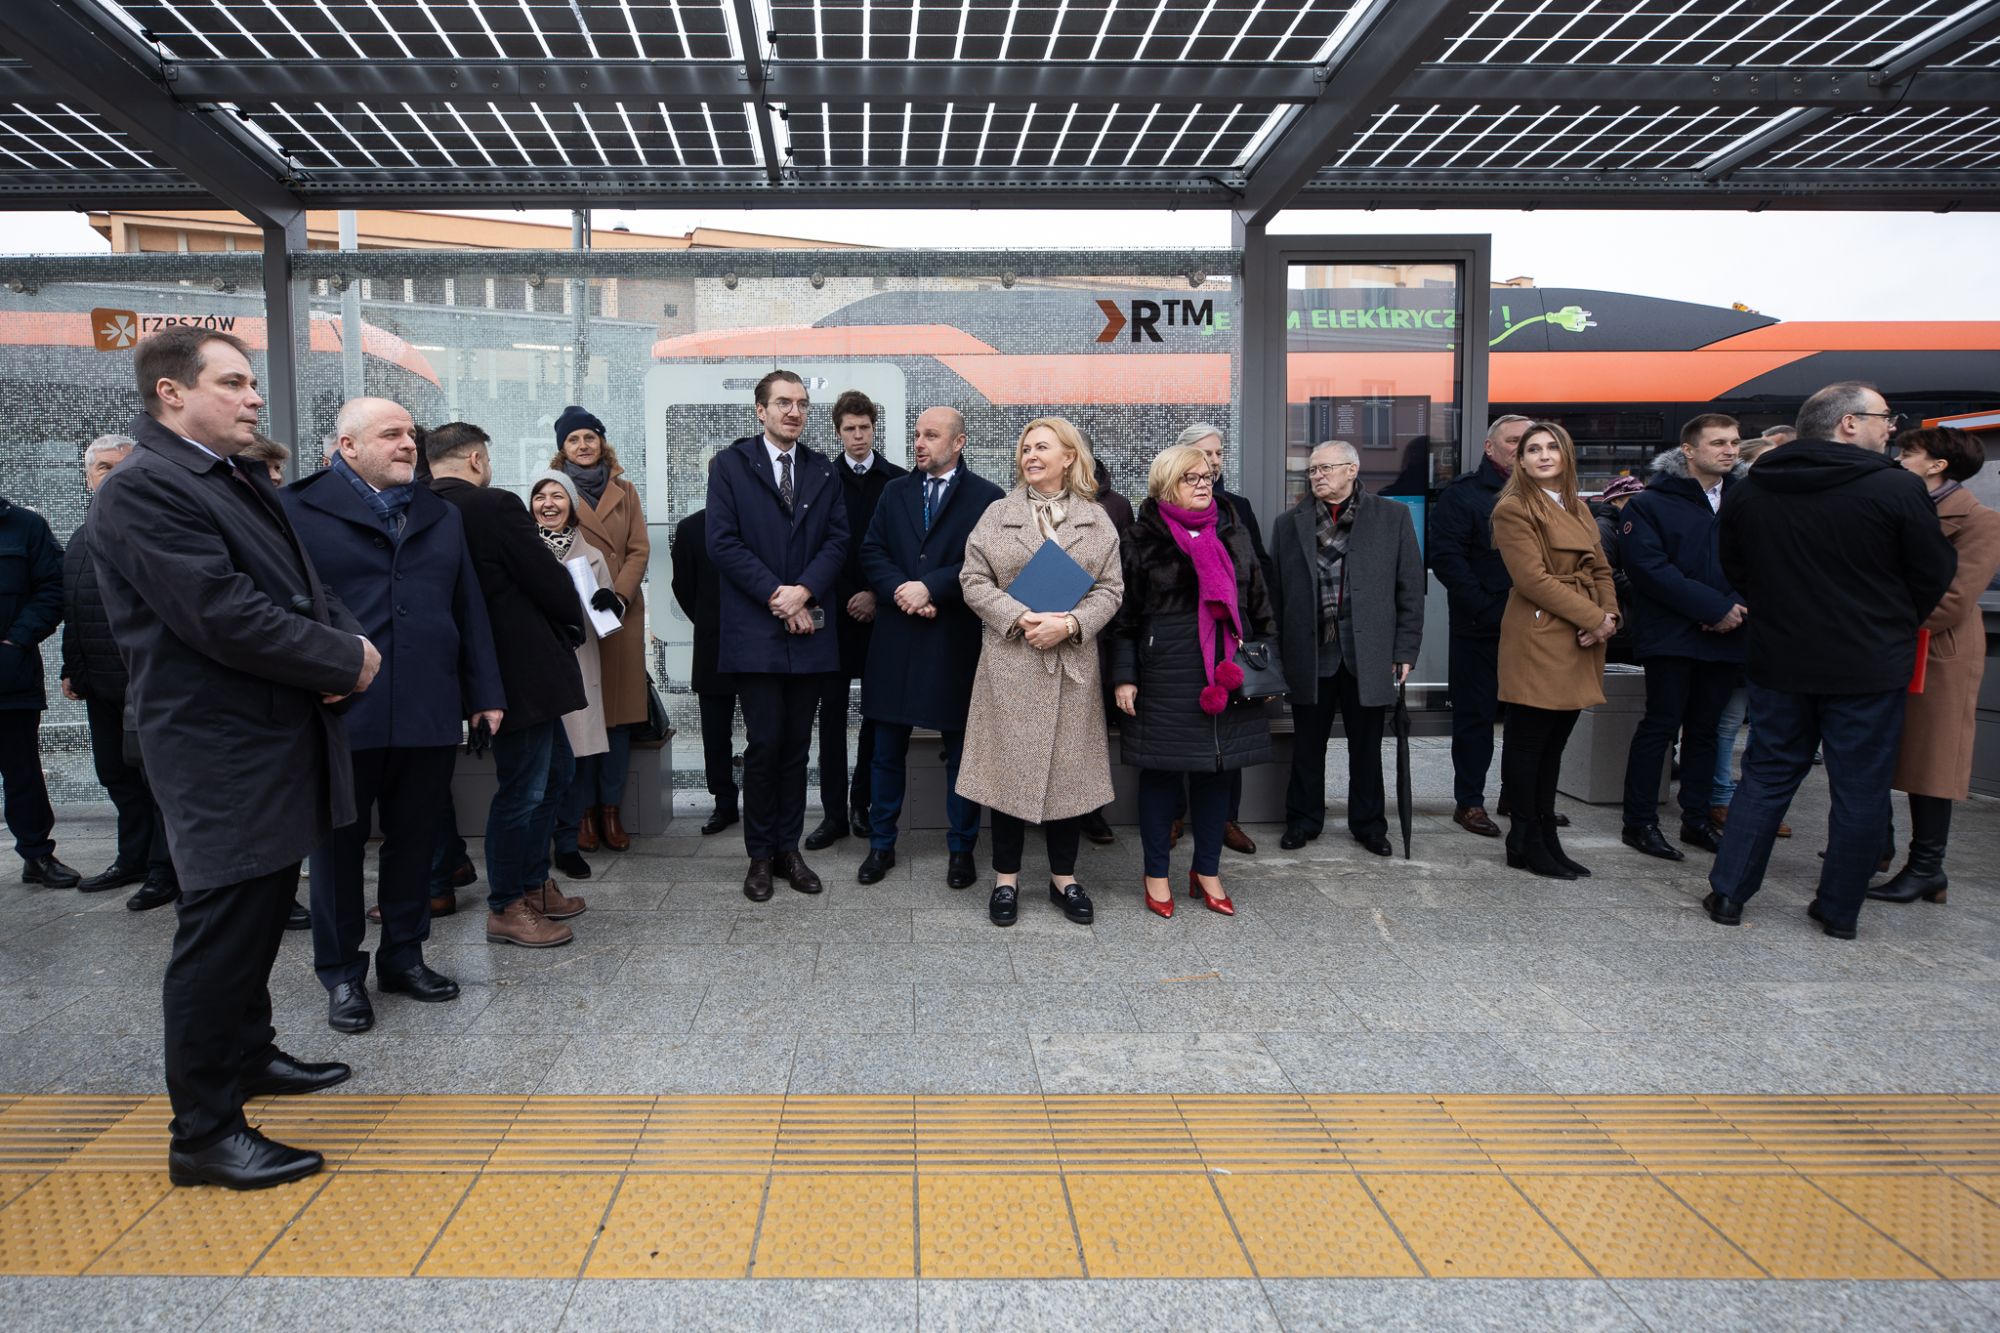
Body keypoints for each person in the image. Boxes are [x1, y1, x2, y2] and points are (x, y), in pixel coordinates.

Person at [91, 327, 372, 1189]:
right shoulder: (145, 490)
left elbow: (297, 586)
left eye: (253, 383)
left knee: (254, 916)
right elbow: (221, 612)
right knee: (221, 934)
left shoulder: (224, 475)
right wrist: (342, 659)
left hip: (266, 734)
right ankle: (205, 1132)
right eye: (235, 383)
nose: (255, 398)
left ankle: (250, 1056)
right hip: (220, 747)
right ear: (171, 393)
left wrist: (339, 641)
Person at [284, 398, 505, 1034]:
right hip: (341, 709)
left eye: (411, 433)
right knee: (338, 851)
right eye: (392, 435)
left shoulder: (440, 514)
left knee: (416, 843)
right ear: (347, 446)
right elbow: (283, 607)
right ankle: (342, 975)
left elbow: (468, 606)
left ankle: (404, 958)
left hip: (427, 705)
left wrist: (484, 691)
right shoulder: (298, 509)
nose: (409, 444)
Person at [1705, 383, 1957, 938]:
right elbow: (1932, 574)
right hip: (1868, 663)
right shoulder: (1896, 488)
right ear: (1848, 423)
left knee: (1766, 777)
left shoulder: (1753, 488)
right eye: (1884, 418)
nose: (1891, 428)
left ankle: (1728, 895)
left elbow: (1736, 567)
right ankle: (1840, 911)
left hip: (1780, 657)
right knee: (1860, 788)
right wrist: (1887, 622)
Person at [956, 417, 1124, 928]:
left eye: (1042, 447)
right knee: (1008, 774)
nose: (1030, 455)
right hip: (1011, 665)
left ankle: (1063, 879)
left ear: (1069, 457)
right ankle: (1006, 880)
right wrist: (1018, 617)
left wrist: (1072, 623)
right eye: (1025, 448)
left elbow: (1111, 591)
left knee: (1069, 779)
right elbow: (972, 579)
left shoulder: (1097, 520)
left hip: (1070, 666)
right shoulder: (996, 514)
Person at [429, 422, 590, 947]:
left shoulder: (418, 506)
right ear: (476, 459)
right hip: (520, 670)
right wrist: (570, 618)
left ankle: (532, 884)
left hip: (474, 670)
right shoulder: (492, 506)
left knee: (556, 773)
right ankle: (506, 904)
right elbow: (547, 578)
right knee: (525, 789)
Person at [1111, 442, 1275, 918]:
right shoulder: (1141, 538)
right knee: (1161, 776)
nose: (1204, 484)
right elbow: (1124, 619)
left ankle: (1207, 871)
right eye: (1192, 478)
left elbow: (1260, 607)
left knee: (1217, 775)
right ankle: (1156, 873)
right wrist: (1125, 677)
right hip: (1167, 672)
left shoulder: (1233, 531)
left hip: (1228, 672)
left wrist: (1263, 663)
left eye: (1207, 476)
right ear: (1167, 485)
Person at [707, 370, 850, 903]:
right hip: (757, 632)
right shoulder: (730, 465)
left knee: (796, 747)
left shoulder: (823, 471)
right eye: (784, 403)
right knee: (765, 745)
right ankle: (760, 856)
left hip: (809, 628)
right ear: (760, 411)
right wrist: (778, 595)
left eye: (803, 404)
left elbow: (838, 541)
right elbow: (722, 543)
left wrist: (805, 591)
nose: (795, 412)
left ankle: (790, 850)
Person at [856, 406, 1003, 888]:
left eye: (931, 435)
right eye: (916, 434)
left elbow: (988, 563)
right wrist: (903, 589)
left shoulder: (988, 498)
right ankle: (882, 845)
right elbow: (871, 550)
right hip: (896, 638)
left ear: (958, 443)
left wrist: (932, 588)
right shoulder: (894, 491)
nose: (919, 443)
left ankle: (961, 850)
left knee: (961, 752)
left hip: (953, 643)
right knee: (885, 752)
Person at [1269, 440, 1425, 857]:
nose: (1317, 476)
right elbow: (1276, 595)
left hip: (1369, 654)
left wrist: (1405, 650)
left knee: (1367, 746)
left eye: (1326, 468)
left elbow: (1410, 588)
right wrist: (1277, 655)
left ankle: (1369, 825)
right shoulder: (1290, 524)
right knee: (1307, 746)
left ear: (1352, 470)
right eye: (1313, 470)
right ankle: (1302, 821)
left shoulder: (1392, 517)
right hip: (1311, 653)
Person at [1871, 428, 2000, 906]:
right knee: (1876, 750)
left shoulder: (1979, 520)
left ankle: (1927, 867)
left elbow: (1955, 600)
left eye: (1909, 452)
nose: (1900, 459)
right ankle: (1877, 849)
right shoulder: (1904, 507)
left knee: (1933, 762)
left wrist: (1873, 619)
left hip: (1939, 652)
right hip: (1890, 644)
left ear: (1937, 465)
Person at [1492, 422, 1621, 880]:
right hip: (1540, 635)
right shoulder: (1514, 508)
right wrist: (1592, 618)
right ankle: (1524, 837)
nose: (1543, 455)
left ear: (1566, 455)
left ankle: (1544, 835)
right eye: (1533, 449)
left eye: (1552, 447)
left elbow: (1603, 569)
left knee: (1554, 746)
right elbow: (1532, 580)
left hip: (1581, 632)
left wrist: (1608, 618)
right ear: (1520, 460)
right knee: (1530, 745)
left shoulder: (1579, 507)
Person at [1616, 416, 1747, 863]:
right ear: (1689, 450)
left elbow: (1765, 558)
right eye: (1718, 443)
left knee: (1706, 730)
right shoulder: (1650, 503)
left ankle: (1696, 820)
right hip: (1672, 635)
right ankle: (1639, 823)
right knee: (1661, 724)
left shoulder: (1746, 500)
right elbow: (1649, 569)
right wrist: (1712, 609)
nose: (1730, 450)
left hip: (1731, 631)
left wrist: (1733, 609)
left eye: (1734, 442)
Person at [62, 433, 176, 907]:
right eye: (102, 468)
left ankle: (162, 870)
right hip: (99, 685)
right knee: (115, 774)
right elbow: (74, 606)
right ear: (88, 478)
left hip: (142, 684)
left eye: (121, 467)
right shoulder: (79, 536)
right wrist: (73, 668)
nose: (111, 477)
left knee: (156, 782)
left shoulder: (153, 532)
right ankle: (131, 857)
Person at [807, 390, 907, 850]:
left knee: (876, 715)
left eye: (864, 427)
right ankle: (832, 815)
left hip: (882, 616)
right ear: (838, 432)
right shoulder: (820, 480)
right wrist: (849, 596)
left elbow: (900, 550)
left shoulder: (898, 482)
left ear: (874, 428)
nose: (858, 436)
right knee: (829, 718)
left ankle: (862, 805)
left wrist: (875, 594)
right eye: (849, 429)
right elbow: (817, 547)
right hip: (832, 615)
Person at [1170, 423, 1272, 855]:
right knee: (1177, 730)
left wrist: (1262, 639)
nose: (1213, 462)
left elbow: (1260, 570)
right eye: (1205, 454)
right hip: (1184, 641)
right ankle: (1175, 815)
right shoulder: (1160, 507)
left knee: (1229, 729)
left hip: (1232, 637)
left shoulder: (1237, 508)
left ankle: (1227, 818)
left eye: (1218, 454)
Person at [551, 406, 648, 855]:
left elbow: (638, 550)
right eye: (573, 440)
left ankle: (612, 810)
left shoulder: (625, 491)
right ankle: (583, 813)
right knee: (581, 718)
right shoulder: (552, 493)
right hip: (575, 619)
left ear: (601, 442)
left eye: (589, 437)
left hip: (618, 617)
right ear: (562, 448)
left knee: (620, 719)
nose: (583, 446)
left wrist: (620, 596)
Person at [1432, 414, 1532, 838]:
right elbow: (1448, 559)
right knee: (1476, 717)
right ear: (1490, 448)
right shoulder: (1465, 496)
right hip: (1482, 625)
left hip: (1537, 629)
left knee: (1528, 717)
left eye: (1529, 441)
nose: (1522, 448)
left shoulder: (1548, 494)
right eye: (1513, 441)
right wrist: (1487, 610)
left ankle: (1519, 796)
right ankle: (1469, 802)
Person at [240, 433, 316, 930]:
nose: (275, 478)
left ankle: (279, 894)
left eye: (277, 470)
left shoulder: (283, 520)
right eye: (263, 469)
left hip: (295, 690)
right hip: (247, 695)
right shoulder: (227, 522)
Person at [531, 470, 615, 881]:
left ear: (571, 505)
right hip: (531, 667)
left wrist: (609, 601)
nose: (548, 504)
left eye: (557, 496)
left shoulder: (593, 556)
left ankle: (567, 845)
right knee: (537, 763)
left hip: (578, 664)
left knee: (574, 763)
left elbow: (607, 620)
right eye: (540, 496)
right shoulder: (521, 550)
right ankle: (536, 846)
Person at [1709, 436, 1790, 839]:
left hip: (1775, 633)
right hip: (1738, 626)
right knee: (1726, 722)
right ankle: (1722, 796)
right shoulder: (1743, 504)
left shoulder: (1788, 506)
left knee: (1766, 725)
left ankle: (1757, 804)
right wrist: (1730, 606)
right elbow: (1729, 563)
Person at [670, 459, 739, 835]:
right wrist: (709, 621)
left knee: (765, 730)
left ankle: (762, 798)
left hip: (758, 646)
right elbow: (683, 587)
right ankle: (724, 802)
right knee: (715, 732)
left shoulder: (757, 526)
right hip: (712, 646)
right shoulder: (692, 528)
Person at [1079, 454, 1134, 848]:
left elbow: (1121, 573)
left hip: (1096, 631)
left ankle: (1090, 812)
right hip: (1041, 627)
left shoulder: (1112, 505)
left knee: (1088, 729)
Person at [1587, 473, 1644, 665]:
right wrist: (1638, 593)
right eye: (1634, 498)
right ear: (1617, 500)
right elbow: (1605, 570)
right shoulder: (1605, 527)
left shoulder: (1628, 524)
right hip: (1619, 614)